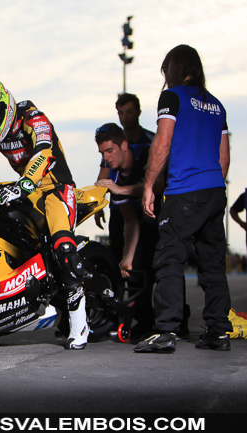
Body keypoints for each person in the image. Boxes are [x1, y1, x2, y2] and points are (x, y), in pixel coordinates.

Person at [0, 80, 88, 350]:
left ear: (2, 112)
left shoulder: (33, 118)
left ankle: (80, 323)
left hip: (55, 187)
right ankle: (0, 317)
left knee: (63, 246)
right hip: (27, 190)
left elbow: (43, 152)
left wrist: (22, 186)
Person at [135, 45, 232, 353]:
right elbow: (223, 157)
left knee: (169, 259)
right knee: (213, 266)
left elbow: (162, 143)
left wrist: (149, 185)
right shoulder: (217, 106)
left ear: (174, 67)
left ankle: (166, 331)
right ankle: (218, 332)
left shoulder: (172, 97)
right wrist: (212, 183)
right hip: (215, 191)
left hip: (184, 192)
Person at [94, 123, 157, 336]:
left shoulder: (146, 153)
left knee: (164, 270)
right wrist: (127, 258)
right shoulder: (117, 177)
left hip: (167, 220)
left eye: (110, 151)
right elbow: (131, 222)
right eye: (103, 153)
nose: (107, 157)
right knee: (133, 268)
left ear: (124, 145)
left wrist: (120, 189)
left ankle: (176, 323)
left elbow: (157, 185)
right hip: (143, 223)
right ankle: (142, 321)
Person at [95, 94, 155, 262]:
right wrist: (97, 205)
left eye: (129, 112)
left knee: (144, 261)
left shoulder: (152, 141)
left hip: (145, 210)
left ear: (138, 112)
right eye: (120, 113)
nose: (125, 117)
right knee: (117, 258)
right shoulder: (111, 144)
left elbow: (160, 182)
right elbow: (103, 176)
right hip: (118, 211)